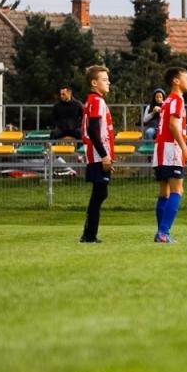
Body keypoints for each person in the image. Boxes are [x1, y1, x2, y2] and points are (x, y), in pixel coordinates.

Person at [152, 68, 187, 243]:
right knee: (178, 190)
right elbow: (173, 125)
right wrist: (185, 148)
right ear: (176, 81)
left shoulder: (167, 101)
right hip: (171, 149)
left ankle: (160, 233)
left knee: (164, 193)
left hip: (160, 149)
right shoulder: (177, 99)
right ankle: (163, 232)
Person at [79, 66, 113, 244]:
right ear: (94, 83)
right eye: (105, 80)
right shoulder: (97, 101)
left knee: (100, 194)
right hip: (98, 155)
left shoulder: (93, 100)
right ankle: (89, 235)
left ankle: (88, 234)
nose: (109, 83)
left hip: (96, 154)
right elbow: (93, 130)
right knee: (99, 194)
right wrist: (104, 155)